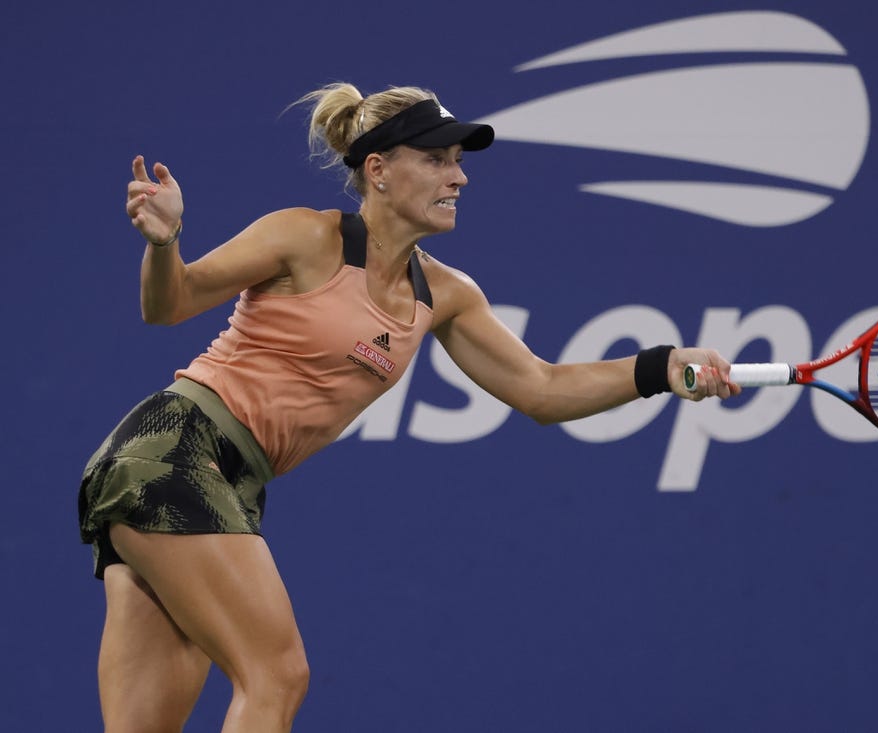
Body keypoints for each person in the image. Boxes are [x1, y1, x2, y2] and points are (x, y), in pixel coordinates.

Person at [79, 81, 738, 732]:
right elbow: (169, 305)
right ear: (379, 170)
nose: (459, 178)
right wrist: (164, 245)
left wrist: (661, 367)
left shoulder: (446, 294)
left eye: (458, 162)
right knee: (277, 673)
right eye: (437, 159)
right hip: (175, 449)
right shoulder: (305, 237)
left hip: (217, 478)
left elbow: (543, 388)